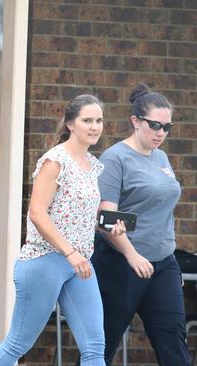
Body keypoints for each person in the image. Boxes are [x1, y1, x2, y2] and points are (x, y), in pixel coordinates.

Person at [0, 95, 126, 366]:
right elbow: (37, 213)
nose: (94, 126)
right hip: (44, 260)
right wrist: (70, 252)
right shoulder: (55, 161)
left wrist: (109, 226)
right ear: (71, 124)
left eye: (99, 120)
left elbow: (78, 215)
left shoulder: (92, 165)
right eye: (87, 120)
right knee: (17, 343)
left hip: (79, 263)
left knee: (96, 347)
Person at [91, 83, 190, 365]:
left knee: (173, 339)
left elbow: (162, 210)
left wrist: (168, 259)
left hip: (162, 264)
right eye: (155, 125)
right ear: (135, 121)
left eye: (167, 127)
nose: (161, 133)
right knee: (103, 343)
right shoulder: (114, 158)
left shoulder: (161, 158)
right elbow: (105, 219)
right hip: (121, 264)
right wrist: (132, 255)